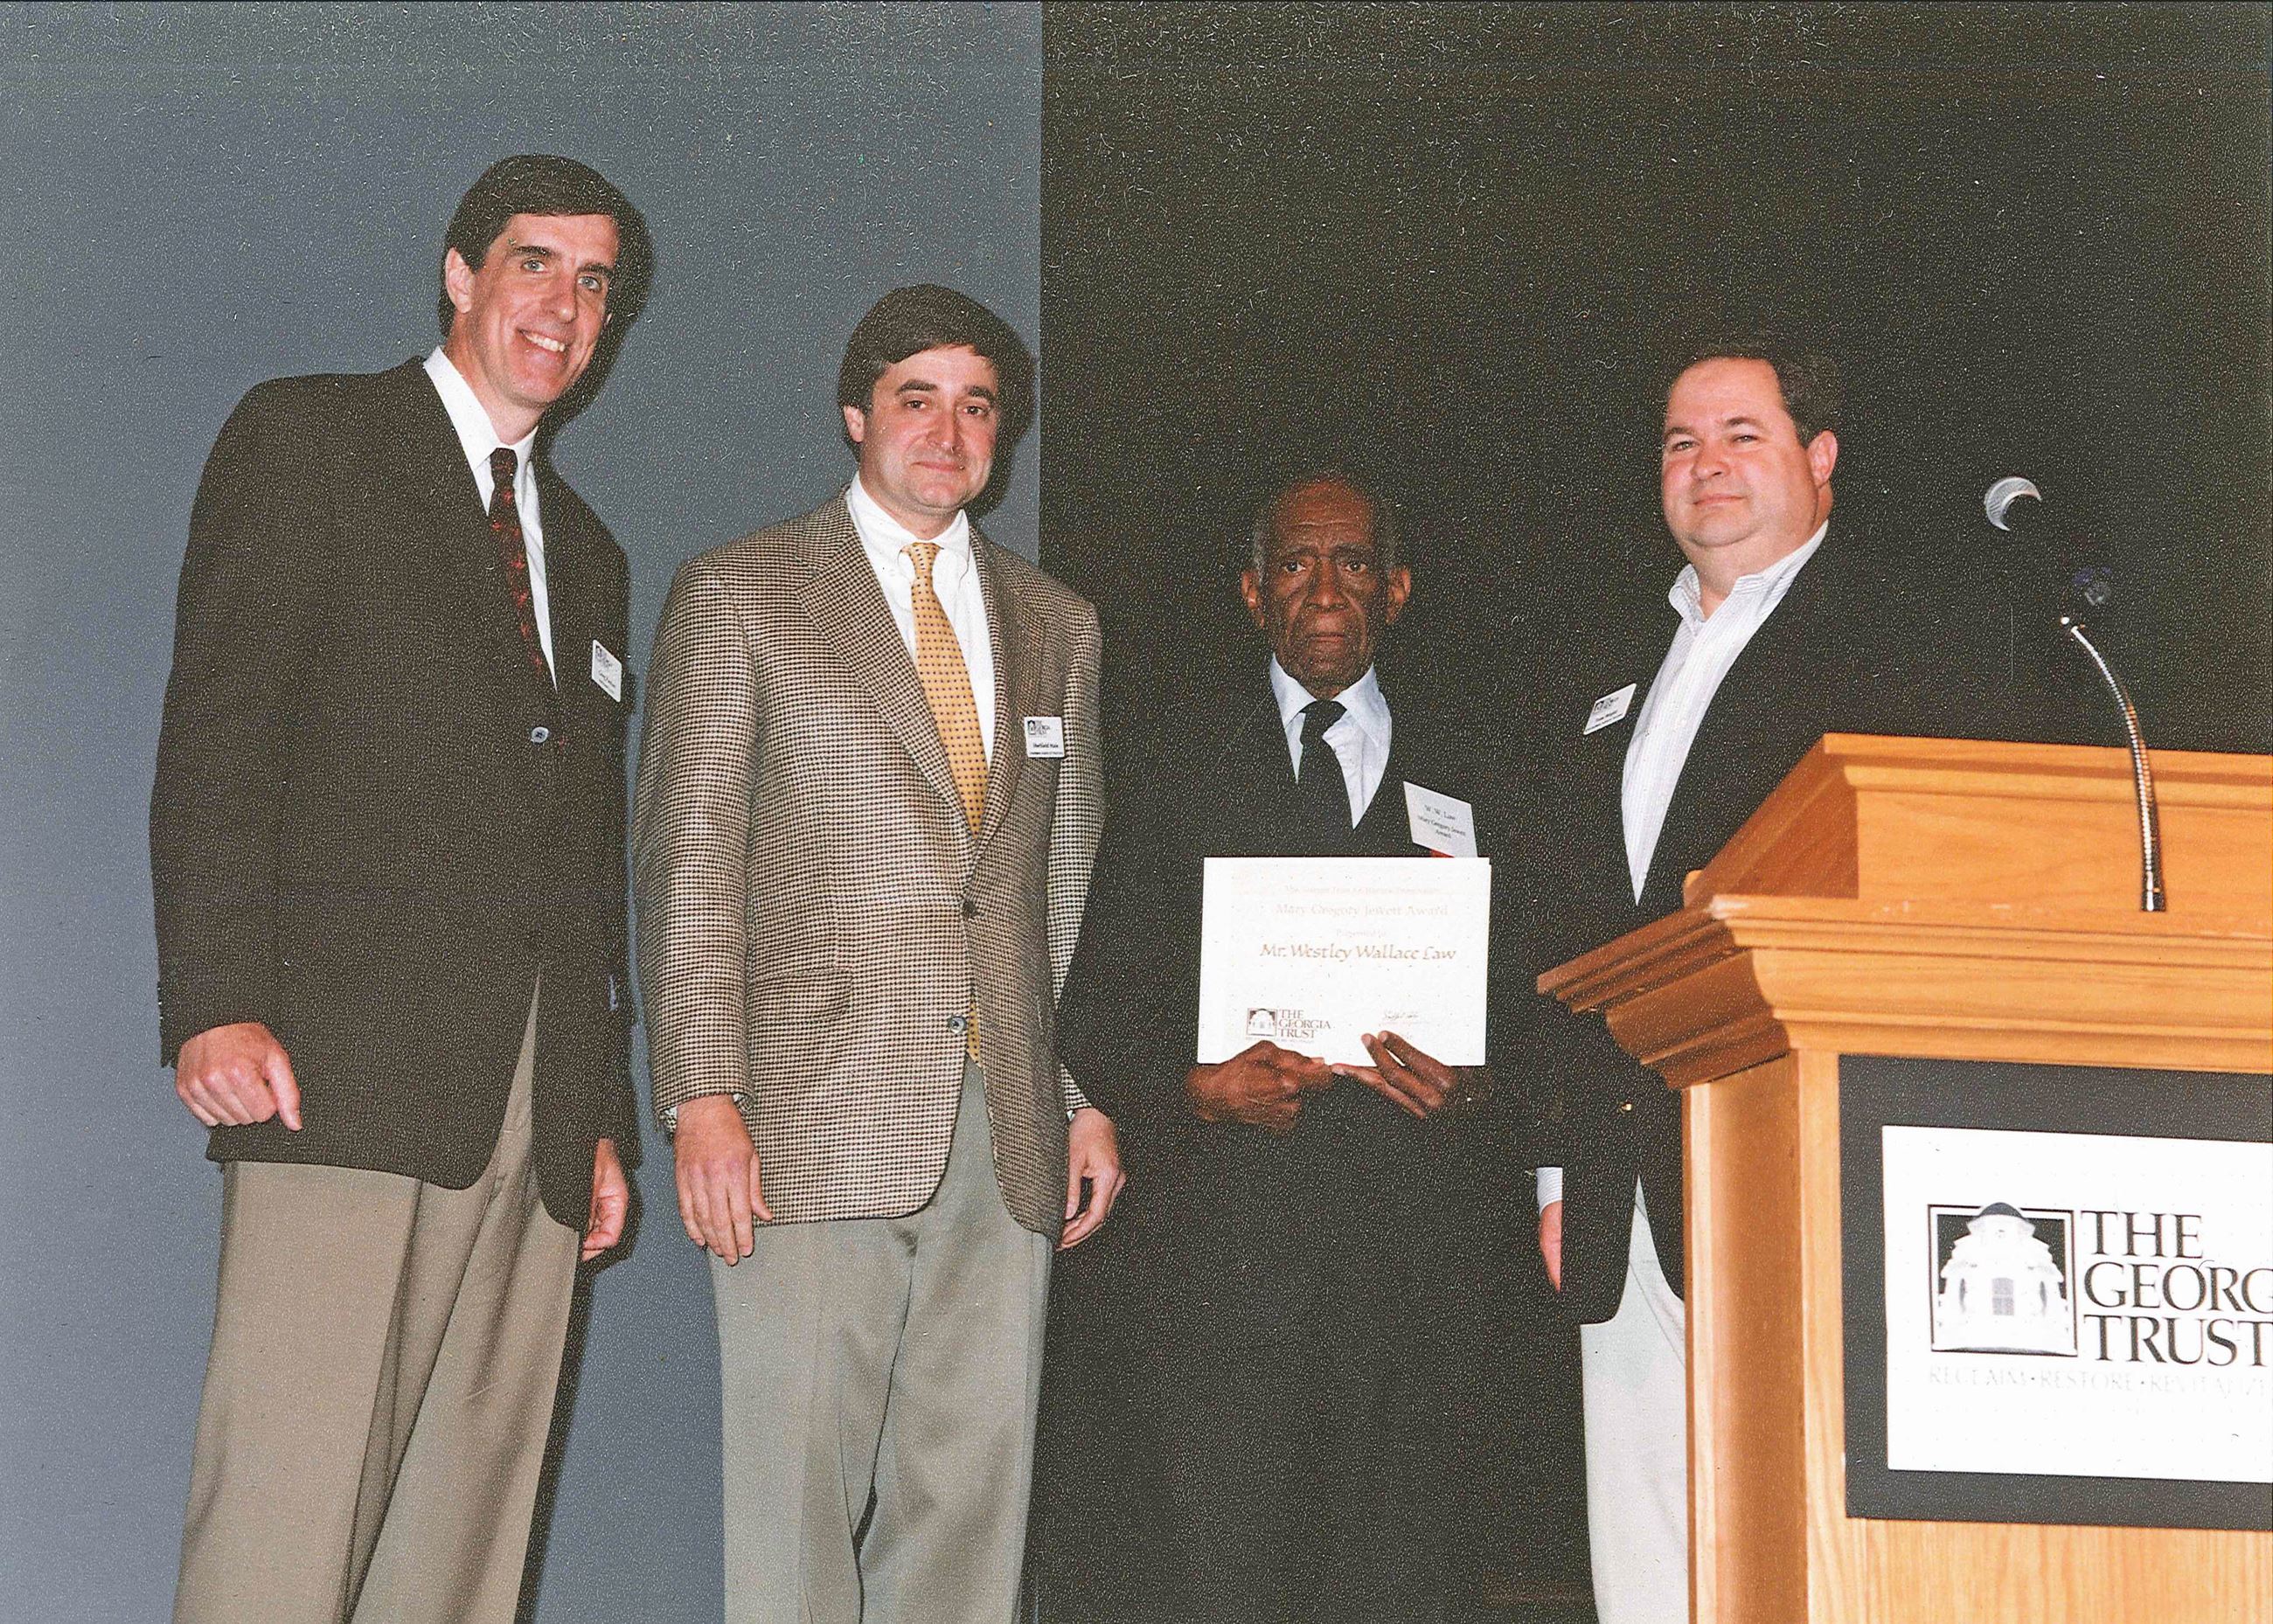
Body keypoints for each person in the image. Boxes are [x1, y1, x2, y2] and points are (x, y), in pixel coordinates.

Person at [149, 154, 651, 1624]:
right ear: (459, 272)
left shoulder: (597, 556)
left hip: (531, 1118)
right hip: (341, 1080)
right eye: (535, 262)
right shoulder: (314, 439)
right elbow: (222, 732)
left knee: (461, 1560)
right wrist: (215, 1000)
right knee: (282, 1533)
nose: (565, 304)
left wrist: (596, 1113)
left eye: (596, 281)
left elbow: (582, 856)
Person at [631, 284, 1123, 1624]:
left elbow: (1056, 884)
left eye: (978, 405)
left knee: (970, 1515)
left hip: (1003, 1127)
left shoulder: (1056, 624)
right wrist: (700, 1095)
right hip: (802, 1119)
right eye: (918, 397)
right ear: (856, 415)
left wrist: (1072, 1091)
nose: (948, 430)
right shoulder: (741, 594)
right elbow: (687, 866)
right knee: (792, 1513)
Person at [1525, 337, 2029, 1624]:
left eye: (1743, 434)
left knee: (1799, 1546)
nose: (1706, 465)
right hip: (1624, 1187)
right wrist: (1554, 1166)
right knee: (1642, 1551)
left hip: (1801, 1172)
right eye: (1681, 441)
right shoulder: (1612, 665)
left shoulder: (1901, 646)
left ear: (1821, 460)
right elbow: (1570, 928)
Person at [1055, 471, 1507, 1624]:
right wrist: (1195, 1089)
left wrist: (1475, 1080)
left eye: (1353, 561)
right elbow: (1099, 999)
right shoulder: (1174, 759)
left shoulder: (1477, 761)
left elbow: (1531, 988)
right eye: (1296, 564)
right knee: (1228, 1584)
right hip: (1227, 1273)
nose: (1324, 588)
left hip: (1417, 1271)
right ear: (1253, 593)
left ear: (1395, 589)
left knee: (1402, 1586)